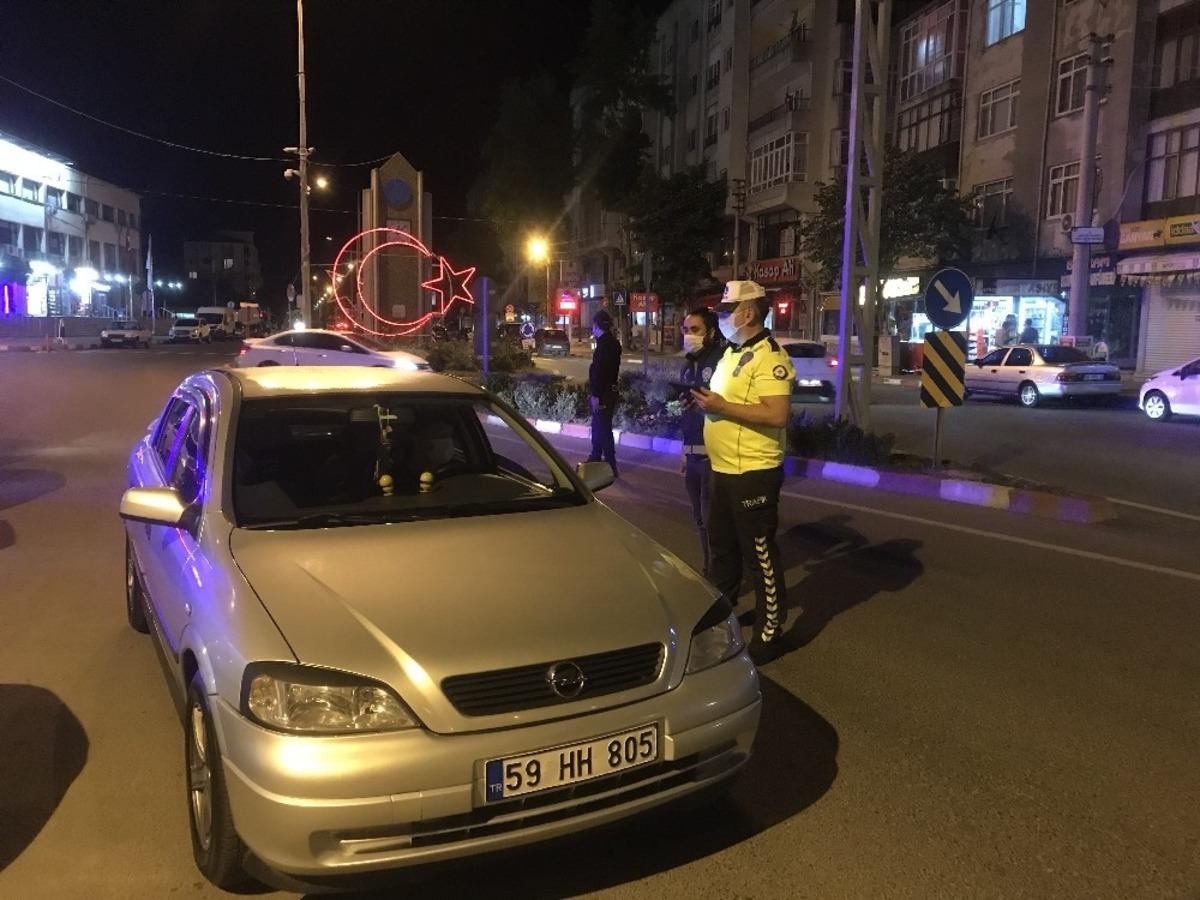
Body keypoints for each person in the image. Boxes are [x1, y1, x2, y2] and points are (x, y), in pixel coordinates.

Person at [690, 280, 796, 665]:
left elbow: (777, 413)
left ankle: (771, 630)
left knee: (760, 555)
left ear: (747, 313)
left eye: (726, 308)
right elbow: (726, 403)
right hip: (723, 468)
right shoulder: (734, 353)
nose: (721, 315)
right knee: (722, 550)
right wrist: (708, 404)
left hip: (754, 471)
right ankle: (724, 616)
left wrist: (722, 406)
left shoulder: (771, 357)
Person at [678, 308, 724, 579]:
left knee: (711, 521)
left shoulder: (719, 362)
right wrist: (684, 451)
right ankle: (710, 572)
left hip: (713, 456)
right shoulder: (688, 364)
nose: (689, 335)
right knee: (699, 520)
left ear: (711, 332)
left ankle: (718, 577)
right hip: (692, 454)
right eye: (686, 330)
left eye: (695, 330)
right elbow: (688, 412)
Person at [586, 309, 622, 477]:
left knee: (603, 428)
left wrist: (596, 395)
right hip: (610, 391)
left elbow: (600, 372)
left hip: (603, 394)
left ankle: (609, 465)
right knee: (599, 426)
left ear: (596, 326)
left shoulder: (603, 346)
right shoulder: (613, 344)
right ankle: (595, 457)